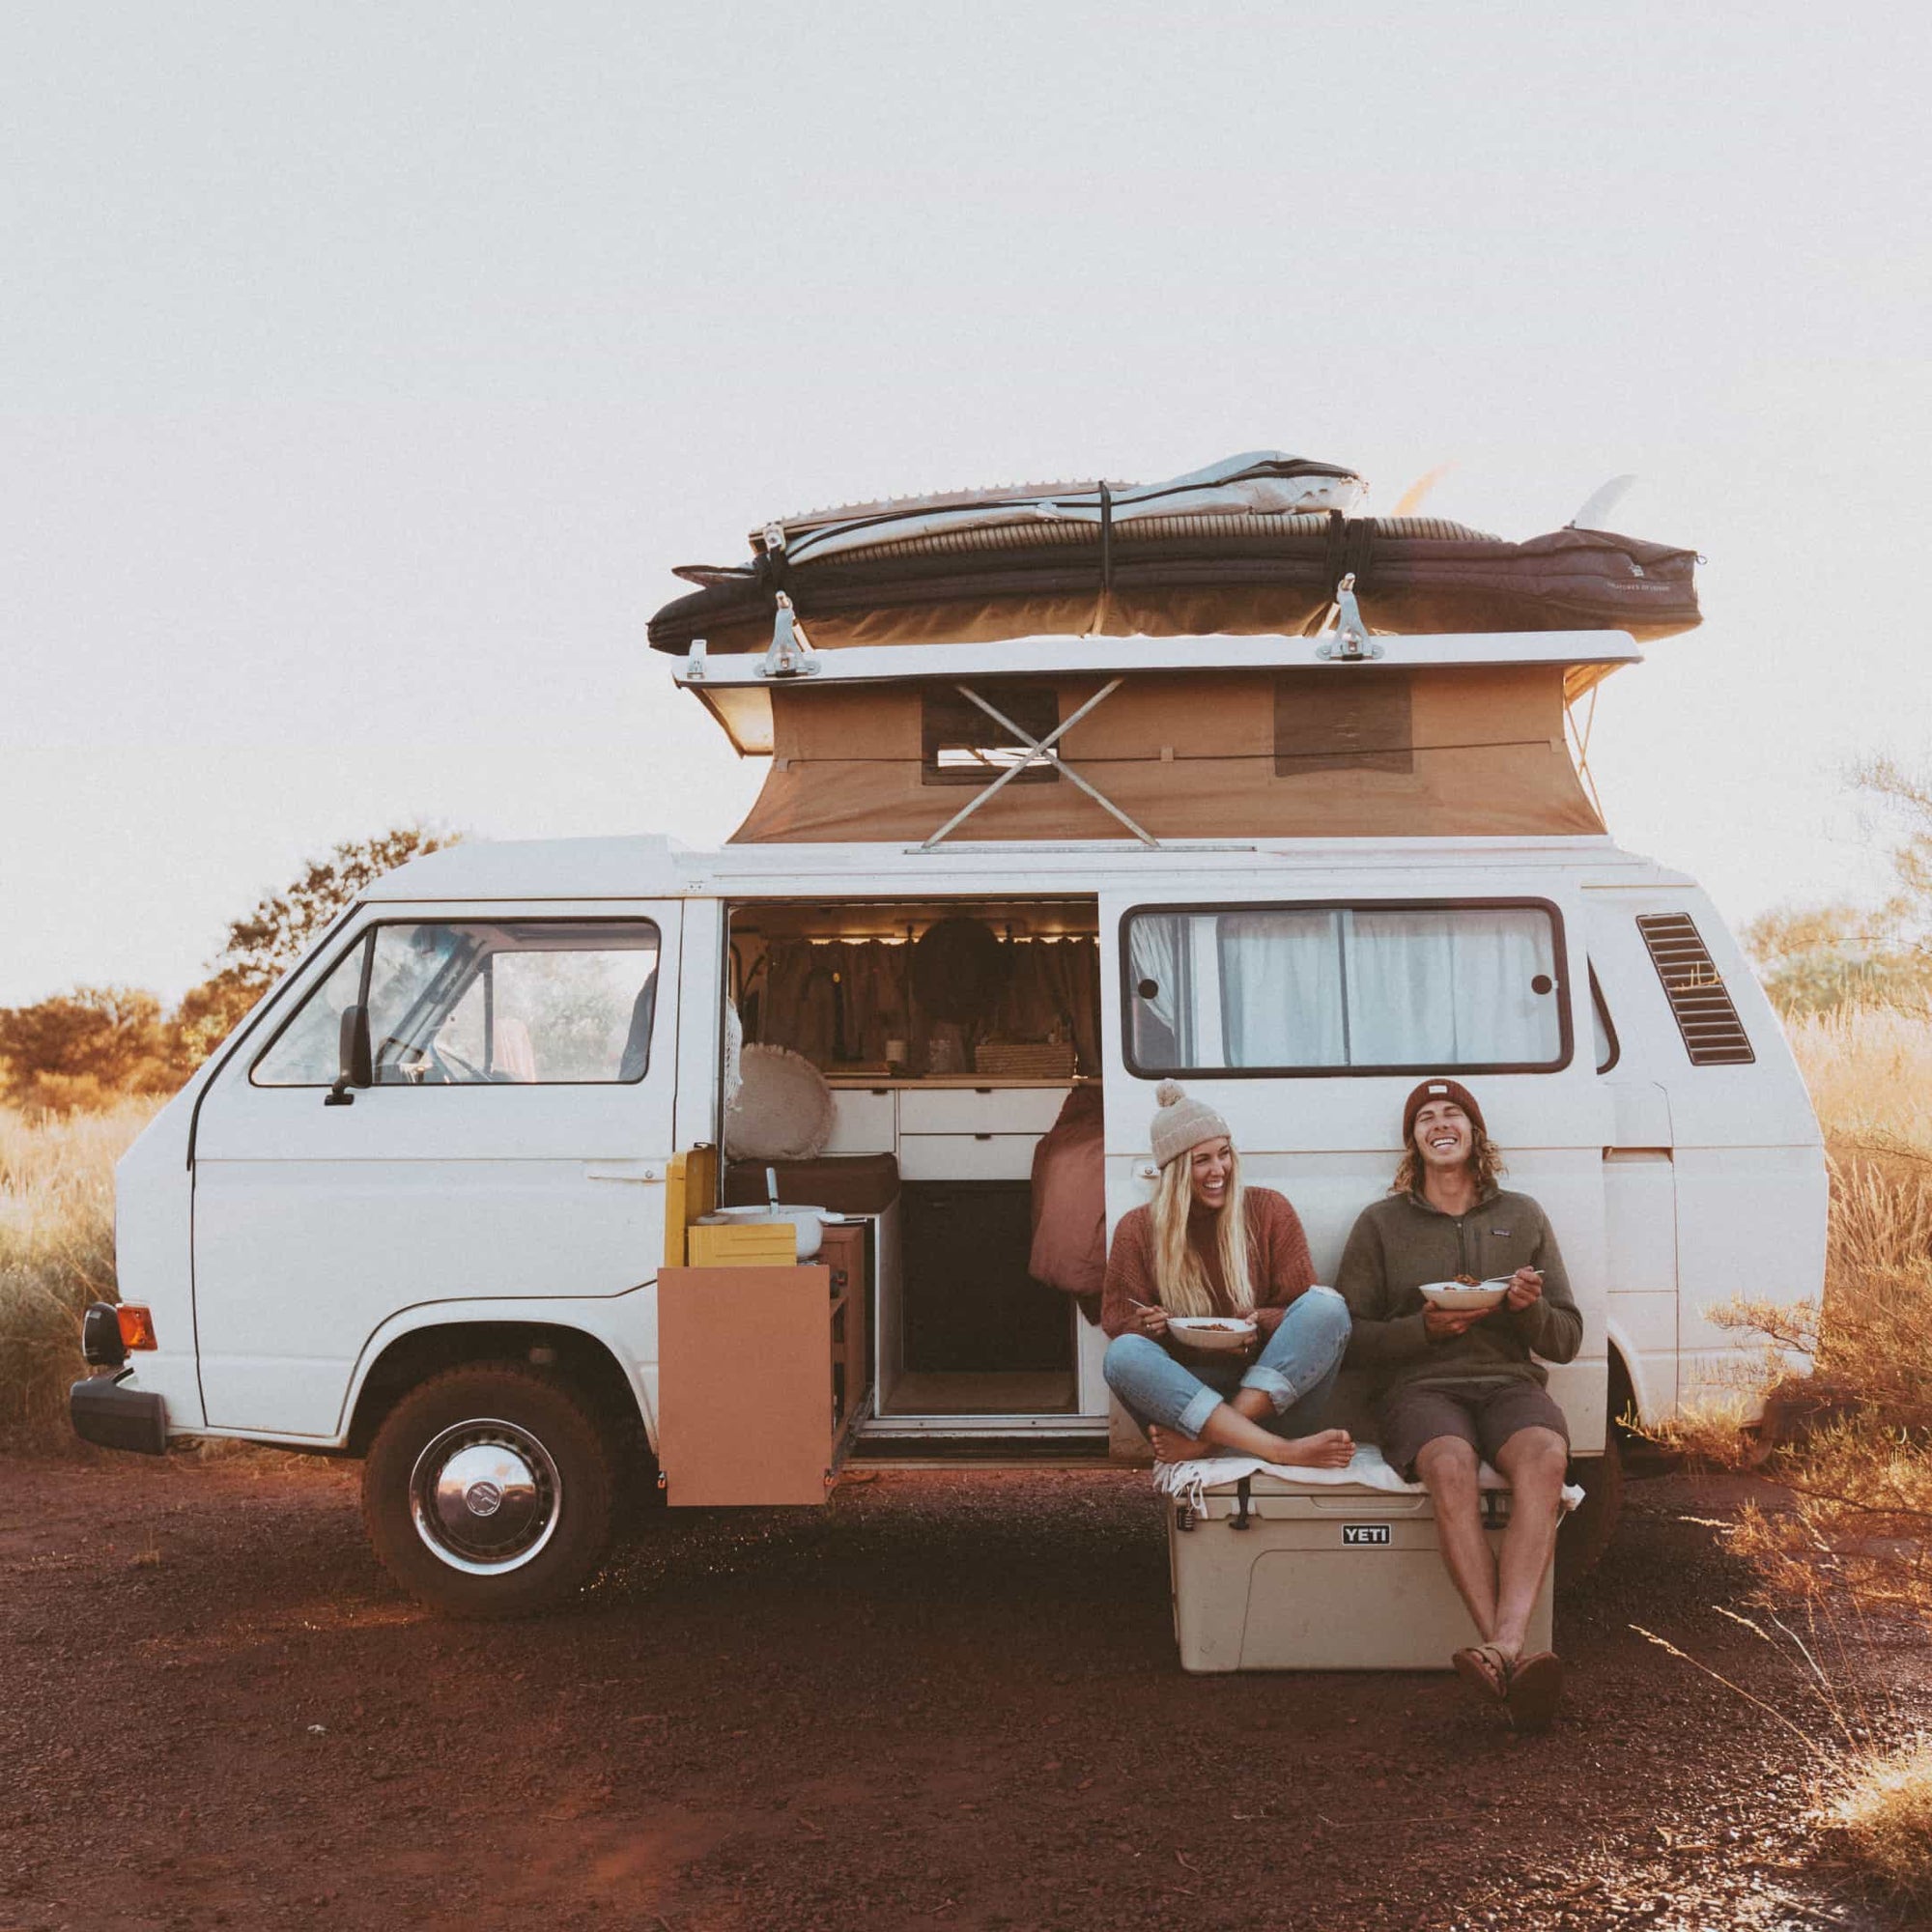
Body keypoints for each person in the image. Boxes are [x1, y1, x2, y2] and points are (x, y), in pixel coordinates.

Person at [1336, 1078, 1581, 1730]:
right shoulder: (1380, 1223)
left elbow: (1566, 1338)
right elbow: (1350, 1338)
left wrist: (1528, 1313)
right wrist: (1423, 1330)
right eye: (1425, 1117)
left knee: (1547, 1457)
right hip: (1419, 1387)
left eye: (1453, 1114)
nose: (1439, 1123)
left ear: (1475, 1133)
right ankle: (1510, 1651)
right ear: (1414, 1141)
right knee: (1449, 1464)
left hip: (1508, 1381)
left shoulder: (1523, 1215)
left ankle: (1501, 1649)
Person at [1101, 1082, 1353, 1469]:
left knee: (1328, 1306)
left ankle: (1212, 1443)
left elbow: (1304, 1312)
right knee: (1122, 1355)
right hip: (1183, 1404)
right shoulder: (1137, 1229)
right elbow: (1119, 1322)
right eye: (1201, 1160)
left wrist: (1257, 1325)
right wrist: (1147, 1325)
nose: (1219, 1170)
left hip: (1271, 1398)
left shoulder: (1268, 1210)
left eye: (1224, 1154)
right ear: (1176, 1171)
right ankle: (1278, 1451)